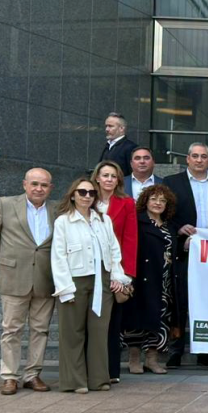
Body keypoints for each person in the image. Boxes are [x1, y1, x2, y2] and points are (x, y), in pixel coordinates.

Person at [0, 168, 58, 395]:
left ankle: (32, 375)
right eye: (34, 184)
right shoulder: (6, 204)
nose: (39, 188)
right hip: (14, 277)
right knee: (11, 329)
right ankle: (10, 376)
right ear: (24, 184)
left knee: (40, 329)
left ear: (50, 188)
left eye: (44, 185)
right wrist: (6, 260)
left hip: (45, 278)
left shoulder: (58, 210)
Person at [51, 179, 130, 394]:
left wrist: (117, 276)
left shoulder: (103, 220)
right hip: (75, 280)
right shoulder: (63, 222)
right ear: (73, 195)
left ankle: (98, 378)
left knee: (99, 331)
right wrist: (65, 288)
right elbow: (58, 257)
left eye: (91, 193)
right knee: (72, 333)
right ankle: (75, 381)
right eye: (82, 192)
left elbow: (114, 250)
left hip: (101, 282)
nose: (87, 196)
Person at [164, 143, 208, 369]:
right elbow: (165, 216)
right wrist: (179, 230)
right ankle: (175, 350)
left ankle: (206, 350)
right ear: (187, 159)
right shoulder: (171, 183)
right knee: (179, 303)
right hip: (184, 251)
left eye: (204, 156)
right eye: (195, 156)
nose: (199, 160)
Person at [121, 184, 181, 376]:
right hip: (142, 277)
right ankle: (134, 359)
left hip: (164, 281)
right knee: (137, 320)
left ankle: (152, 360)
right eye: (154, 199)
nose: (158, 203)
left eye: (162, 200)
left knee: (161, 321)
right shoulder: (137, 222)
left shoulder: (170, 225)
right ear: (145, 201)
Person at [89, 161, 138, 384]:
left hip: (115, 269)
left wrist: (125, 276)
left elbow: (130, 239)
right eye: (105, 175)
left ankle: (110, 371)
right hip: (87, 268)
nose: (109, 179)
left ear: (119, 180)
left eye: (113, 176)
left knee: (111, 323)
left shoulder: (126, 203)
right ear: (97, 178)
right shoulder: (85, 199)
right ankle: (87, 368)